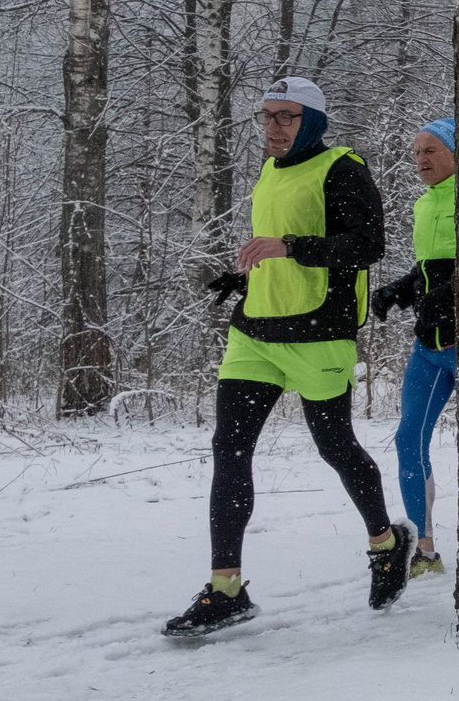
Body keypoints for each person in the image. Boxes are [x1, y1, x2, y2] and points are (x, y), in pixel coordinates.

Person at [166, 76, 407, 637]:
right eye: (266, 116)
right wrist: (247, 273)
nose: (273, 128)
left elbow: (369, 247)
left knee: (335, 446)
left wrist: (289, 249)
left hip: (319, 332)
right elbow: (279, 238)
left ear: (314, 122)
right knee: (229, 448)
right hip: (255, 332)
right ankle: (225, 588)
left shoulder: (343, 169)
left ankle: (385, 543)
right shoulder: (271, 171)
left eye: (287, 117)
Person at [369, 118, 459, 576]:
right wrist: (399, 290)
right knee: (409, 438)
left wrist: (449, 294)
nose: (421, 160)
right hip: (428, 346)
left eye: (431, 150)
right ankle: (424, 550)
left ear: (457, 152)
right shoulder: (425, 205)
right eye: (416, 152)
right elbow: (429, 271)